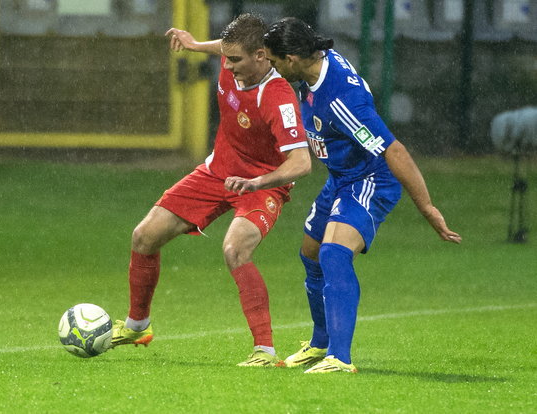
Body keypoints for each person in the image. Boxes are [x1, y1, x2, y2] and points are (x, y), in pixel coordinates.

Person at [110, 14, 311, 367]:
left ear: (262, 56)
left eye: (235, 60)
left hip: (261, 184)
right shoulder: (236, 57)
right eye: (226, 58)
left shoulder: (279, 98)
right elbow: (226, 46)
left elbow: (300, 163)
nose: (228, 65)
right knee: (143, 236)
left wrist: (257, 183)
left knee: (235, 249)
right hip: (216, 172)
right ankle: (137, 325)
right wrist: (195, 44)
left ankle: (265, 351)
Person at [263, 17, 462, 374]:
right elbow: (249, 51)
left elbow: (394, 151)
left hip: (371, 178)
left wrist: (428, 208)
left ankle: (340, 357)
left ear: (292, 58)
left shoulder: (343, 100)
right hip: (341, 177)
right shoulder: (316, 64)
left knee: (334, 254)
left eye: (275, 63)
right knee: (310, 253)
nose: (273, 70)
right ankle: (320, 343)